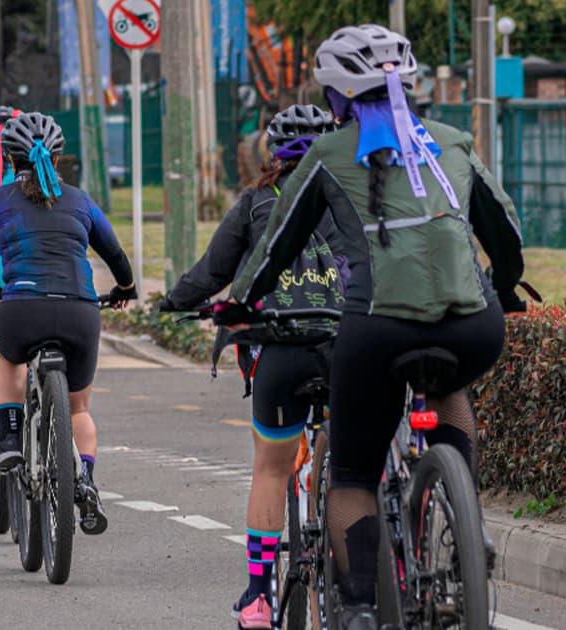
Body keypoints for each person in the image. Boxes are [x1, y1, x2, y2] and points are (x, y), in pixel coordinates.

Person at [224, 25, 525, 630]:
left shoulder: (328, 156)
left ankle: (359, 604)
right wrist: (506, 287)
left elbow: (276, 248)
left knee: (354, 474)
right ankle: (463, 513)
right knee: (449, 391)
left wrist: (240, 306)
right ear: (408, 85)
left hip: (375, 331)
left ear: (337, 97)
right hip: (473, 327)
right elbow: (507, 234)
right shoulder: (454, 141)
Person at [160, 105, 343, 629]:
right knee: (356, 466)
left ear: (272, 154)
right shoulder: (354, 199)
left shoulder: (256, 202)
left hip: (279, 350)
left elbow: (212, 271)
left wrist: (173, 302)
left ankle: (259, 598)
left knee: (270, 467)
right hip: (341, 347)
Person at [0, 112, 137, 536]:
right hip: (81, 311)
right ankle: (87, 480)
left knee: (4, 356)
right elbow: (114, 253)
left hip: (22, 308)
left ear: (9, 158)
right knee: (79, 407)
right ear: (58, 159)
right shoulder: (80, 200)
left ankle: (7, 436)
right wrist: (126, 288)